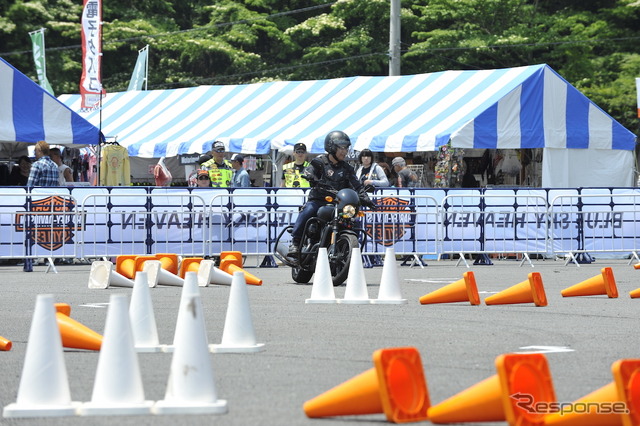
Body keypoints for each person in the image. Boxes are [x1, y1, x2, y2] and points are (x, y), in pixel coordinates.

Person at [288, 130, 375, 256]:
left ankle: (347, 249)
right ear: (332, 147)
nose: (344, 151)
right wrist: (310, 175)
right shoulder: (320, 162)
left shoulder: (347, 168)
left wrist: (365, 198)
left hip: (338, 203)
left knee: (353, 220)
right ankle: (295, 243)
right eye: (342, 148)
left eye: (346, 148)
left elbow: (357, 185)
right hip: (319, 200)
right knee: (308, 210)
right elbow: (309, 170)